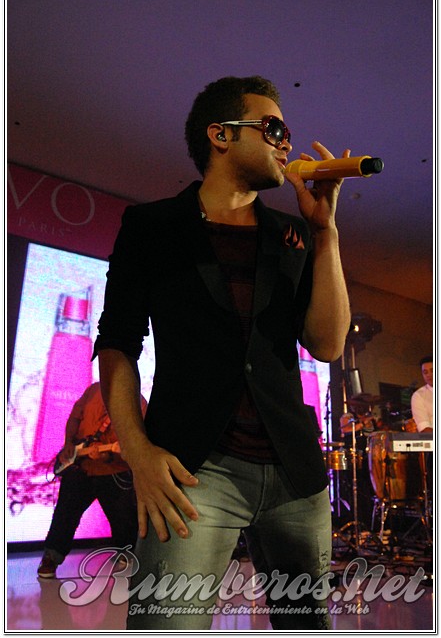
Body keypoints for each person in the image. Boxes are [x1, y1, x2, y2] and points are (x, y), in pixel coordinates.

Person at [94, 76, 351, 630]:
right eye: (274, 128)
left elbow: (328, 344)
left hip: (294, 474)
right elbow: (116, 343)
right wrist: (137, 451)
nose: (288, 142)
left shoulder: (293, 234)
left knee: (307, 625)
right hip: (193, 472)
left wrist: (325, 232)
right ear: (221, 134)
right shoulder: (152, 226)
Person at [37, 382, 147, 578]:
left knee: (124, 520)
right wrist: (69, 443)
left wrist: (109, 456)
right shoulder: (94, 389)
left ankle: (126, 555)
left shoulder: (138, 403)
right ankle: (51, 558)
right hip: (80, 468)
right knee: (64, 515)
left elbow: (139, 445)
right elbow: (74, 418)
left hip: (114, 472)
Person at [411, 356, 433, 433]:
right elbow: (424, 428)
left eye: (432, 371)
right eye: (425, 372)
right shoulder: (418, 396)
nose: (429, 375)